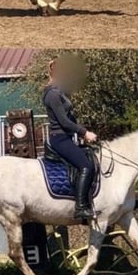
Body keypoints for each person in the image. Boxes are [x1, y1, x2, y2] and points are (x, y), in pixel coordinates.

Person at [42, 57, 97, 220]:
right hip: (59, 139)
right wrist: (84, 132)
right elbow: (64, 121)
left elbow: (70, 118)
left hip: (65, 137)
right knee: (86, 166)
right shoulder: (53, 94)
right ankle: (81, 207)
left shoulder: (59, 92)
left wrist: (80, 134)